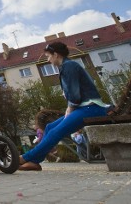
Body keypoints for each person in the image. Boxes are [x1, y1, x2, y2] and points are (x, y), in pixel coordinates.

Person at [19, 41, 108, 171]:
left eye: (48, 56)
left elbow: (74, 95)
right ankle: (35, 161)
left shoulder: (69, 66)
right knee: (50, 127)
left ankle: (26, 158)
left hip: (92, 108)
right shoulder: (66, 67)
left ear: (56, 55)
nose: (48, 60)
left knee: (56, 132)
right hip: (84, 108)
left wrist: (69, 108)